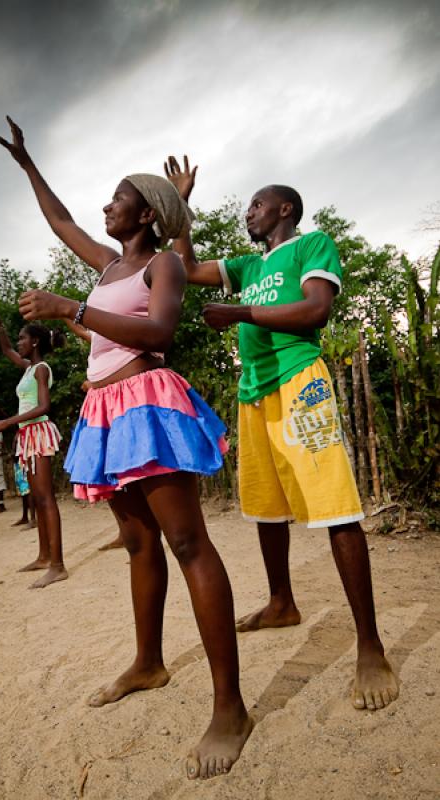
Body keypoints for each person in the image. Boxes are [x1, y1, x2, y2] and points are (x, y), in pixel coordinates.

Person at [0, 116, 252, 780]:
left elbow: (159, 327)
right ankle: (149, 662)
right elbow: (60, 224)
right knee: (139, 545)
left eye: (116, 198)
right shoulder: (109, 264)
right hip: (105, 408)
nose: (104, 207)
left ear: (145, 212)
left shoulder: (163, 263)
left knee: (187, 543)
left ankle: (230, 706)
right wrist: (28, 165)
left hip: (146, 400)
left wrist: (69, 311)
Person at [163, 155, 399, 713]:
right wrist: (182, 209)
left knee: (335, 508)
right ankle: (281, 602)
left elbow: (316, 311)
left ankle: (370, 644)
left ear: (284, 209)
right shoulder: (247, 264)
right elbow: (187, 267)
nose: (249, 212)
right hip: (254, 391)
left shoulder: (312, 245)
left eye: (257, 205)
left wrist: (243, 311)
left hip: (301, 383)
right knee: (267, 509)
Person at [0, 299, 67, 589]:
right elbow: (7, 350)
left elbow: (45, 406)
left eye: (22, 338)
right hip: (27, 437)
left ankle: (57, 565)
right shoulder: (27, 368)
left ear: (34, 342)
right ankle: (44, 556)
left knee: (45, 499)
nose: (18, 342)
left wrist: (8, 422)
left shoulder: (42, 368)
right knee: (36, 497)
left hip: (38, 433)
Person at [63, 318, 123, 552]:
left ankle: (141, 535)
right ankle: (126, 533)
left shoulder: (123, 334)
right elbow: (81, 330)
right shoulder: (100, 338)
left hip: (120, 407)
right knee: (108, 474)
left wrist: (94, 385)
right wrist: (64, 312)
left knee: (125, 473)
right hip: (102, 411)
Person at [11, 431, 36, 528]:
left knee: (27, 490)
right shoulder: (19, 432)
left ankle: (33, 518)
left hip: (24, 463)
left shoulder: (26, 432)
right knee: (23, 491)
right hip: (18, 464)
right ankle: (25, 516)